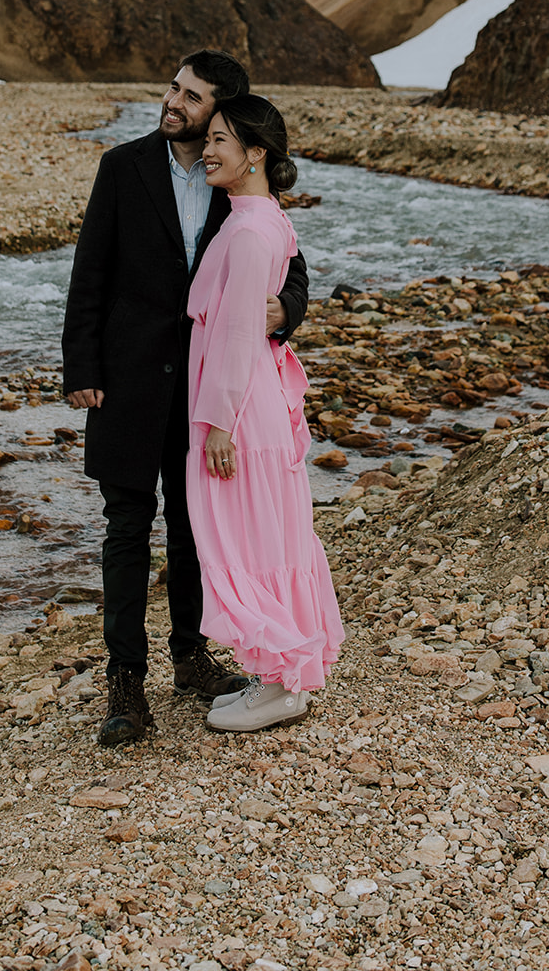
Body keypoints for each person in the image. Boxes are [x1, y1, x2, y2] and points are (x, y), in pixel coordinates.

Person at [61, 50, 310, 746]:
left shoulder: (236, 179)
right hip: (129, 381)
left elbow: (292, 270)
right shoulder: (123, 168)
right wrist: (80, 365)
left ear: (219, 113)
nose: (173, 102)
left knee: (199, 527)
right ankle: (125, 683)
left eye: (192, 96)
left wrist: (282, 313)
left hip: (206, 391)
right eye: (174, 88)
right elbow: (91, 272)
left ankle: (192, 657)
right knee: (125, 530)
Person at [185, 93, 343, 732]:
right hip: (256, 402)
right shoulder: (262, 217)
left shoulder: (249, 230)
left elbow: (238, 333)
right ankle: (277, 677)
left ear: (255, 154)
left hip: (241, 411)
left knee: (245, 541)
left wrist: (217, 422)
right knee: (267, 537)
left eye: (221, 139)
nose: (208, 150)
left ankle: (280, 682)